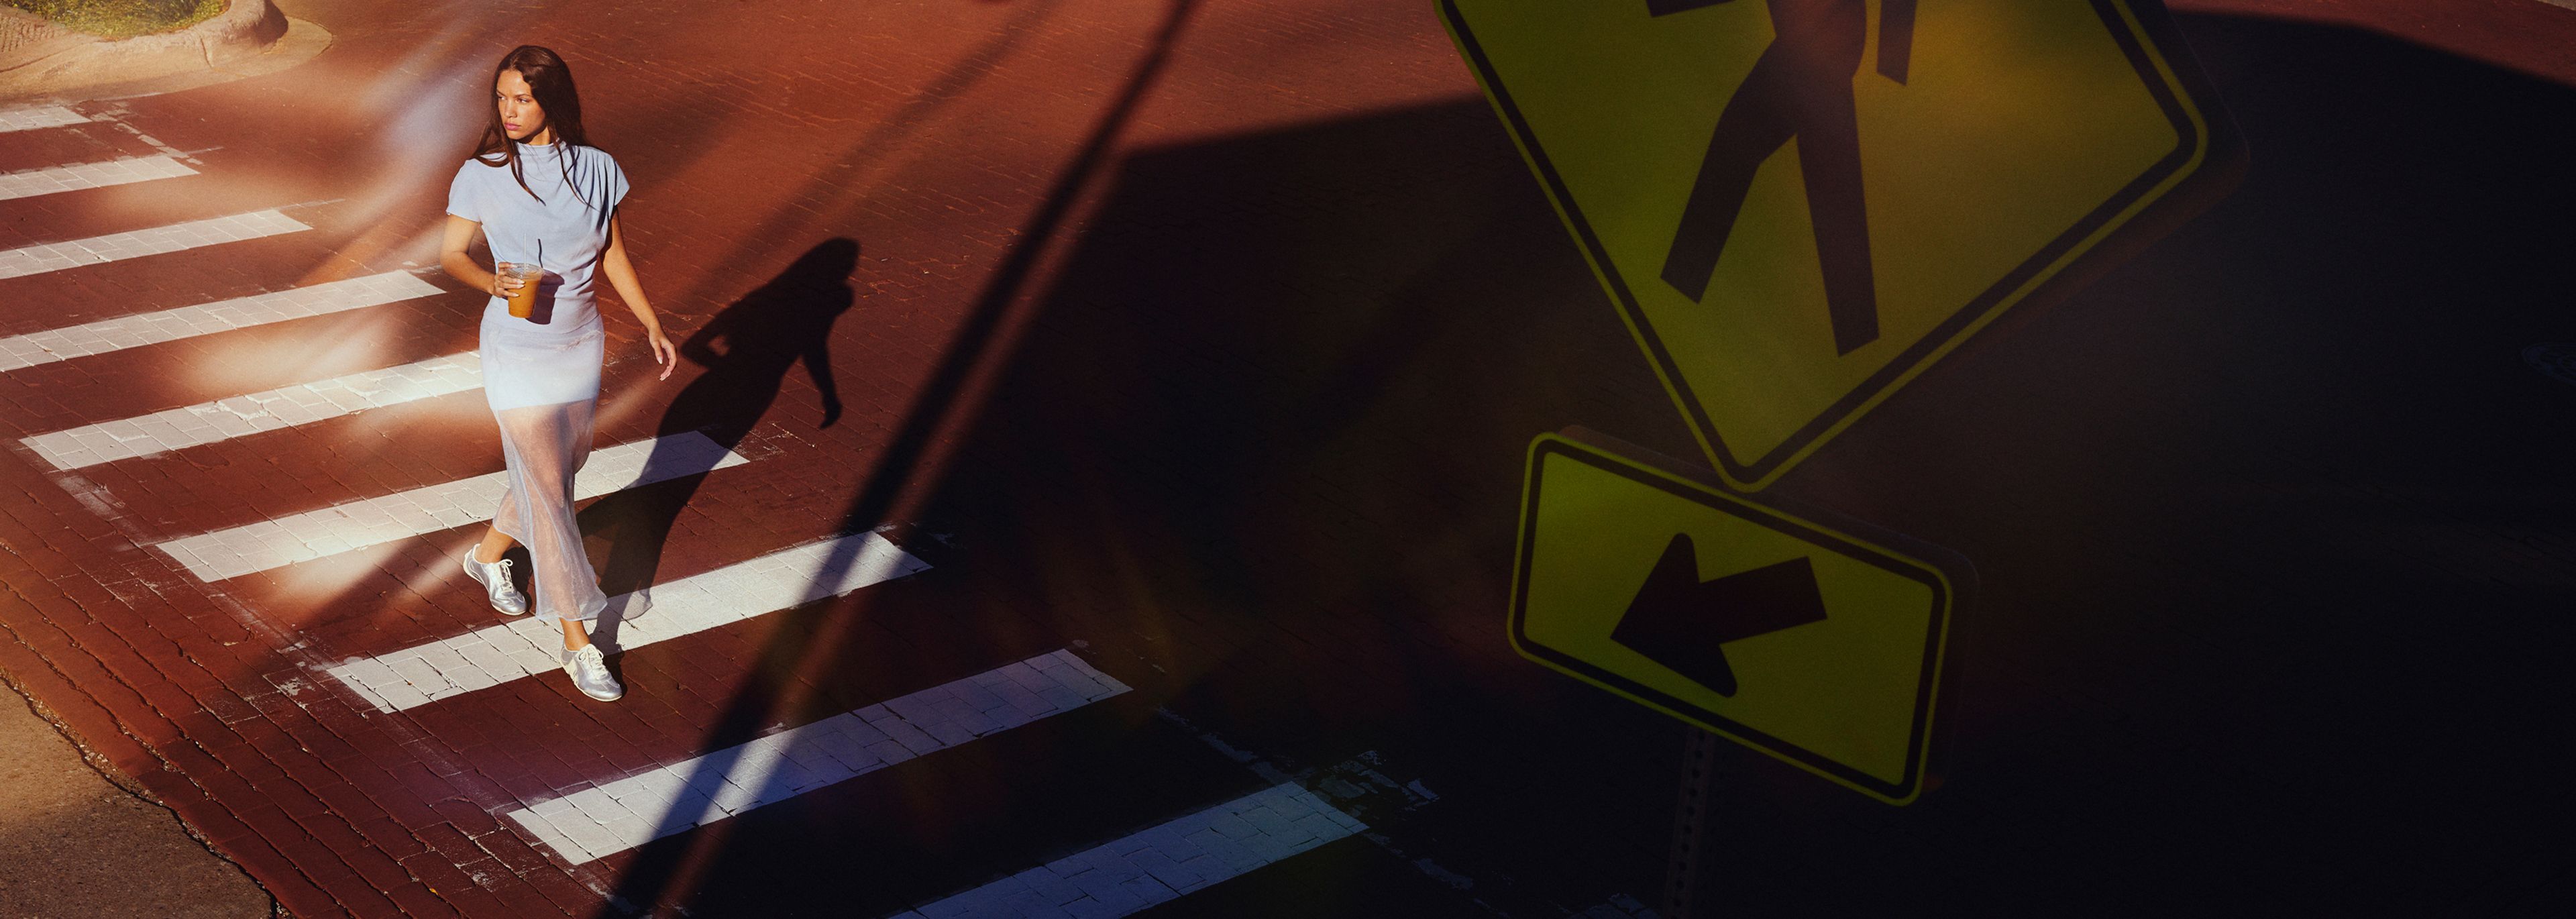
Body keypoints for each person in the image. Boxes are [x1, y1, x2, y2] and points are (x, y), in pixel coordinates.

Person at [437, 45, 675, 702]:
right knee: (549, 487)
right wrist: (494, 279)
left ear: (552, 102)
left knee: (557, 469)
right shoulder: (481, 173)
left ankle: (486, 556)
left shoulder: (596, 170)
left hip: (579, 344)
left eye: (523, 99)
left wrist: (650, 320)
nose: (509, 111)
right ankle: (579, 639)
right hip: (514, 346)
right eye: (503, 98)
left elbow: (615, 256)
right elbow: (451, 254)